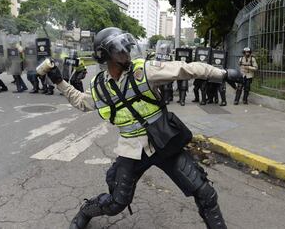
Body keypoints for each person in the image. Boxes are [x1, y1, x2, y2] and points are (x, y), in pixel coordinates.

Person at [43, 27, 242, 229]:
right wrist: (59, 81)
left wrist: (223, 74)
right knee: (116, 203)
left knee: (205, 193)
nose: (126, 53)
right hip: (132, 151)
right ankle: (85, 212)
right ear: (105, 56)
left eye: (126, 48)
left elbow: (187, 69)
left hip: (164, 143)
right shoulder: (100, 87)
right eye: (119, 50)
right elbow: (81, 102)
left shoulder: (145, 70)